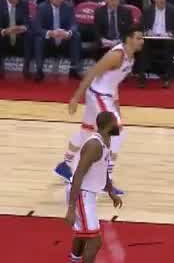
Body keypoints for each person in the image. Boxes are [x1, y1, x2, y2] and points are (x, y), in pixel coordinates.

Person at [55, 32, 144, 187]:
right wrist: (76, 97)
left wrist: (116, 105)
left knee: (87, 131)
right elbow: (92, 72)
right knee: (117, 133)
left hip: (103, 95)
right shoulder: (117, 55)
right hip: (99, 95)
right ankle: (106, 179)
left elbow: (113, 83)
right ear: (128, 39)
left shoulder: (131, 58)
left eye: (142, 38)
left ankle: (65, 165)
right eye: (138, 38)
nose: (142, 41)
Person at [65, 110, 125, 263]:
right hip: (81, 193)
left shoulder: (106, 143)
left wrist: (111, 191)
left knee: (82, 235)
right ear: (108, 125)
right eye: (116, 123)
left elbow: (103, 172)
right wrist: (71, 208)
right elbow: (78, 174)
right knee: (95, 240)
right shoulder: (94, 145)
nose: (119, 126)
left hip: (89, 193)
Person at [32, 0, 80, 82]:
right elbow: (37, 28)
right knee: (39, 38)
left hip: (64, 40)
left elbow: (74, 24)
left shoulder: (68, 6)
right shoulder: (42, 8)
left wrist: (68, 33)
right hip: (49, 41)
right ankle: (39, 71)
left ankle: (74, 69)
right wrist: (50, 33)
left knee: (76, 36)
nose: (60, 0)